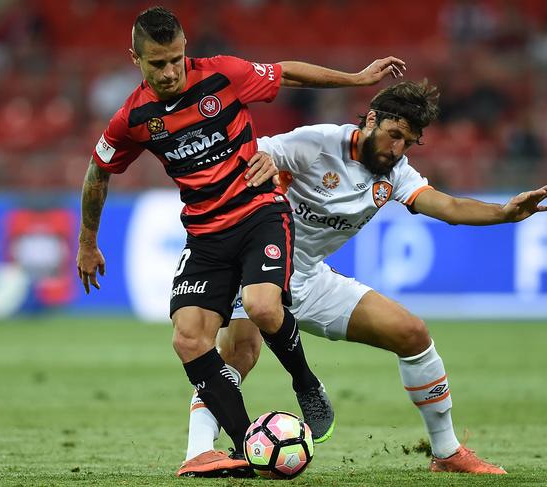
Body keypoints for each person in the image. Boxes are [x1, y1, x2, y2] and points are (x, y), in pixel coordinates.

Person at [75, 5, 407, 477]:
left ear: (185, 49)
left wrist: (355, 80)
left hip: (259, 214)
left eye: (176, 59)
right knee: (189, 339)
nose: (170, 72)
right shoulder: (132, 118)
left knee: (263, 307)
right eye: (157, 64)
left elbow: (287, 72)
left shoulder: (223, 75)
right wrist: (88, 240)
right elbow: (98, 170)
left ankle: (306, 384)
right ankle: (244, 447)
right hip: (205, 235)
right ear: (135, 59)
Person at [181, 79, 547, 476]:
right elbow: (254, 152)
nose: (397, 149)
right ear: (372, 119)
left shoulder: (395, 173)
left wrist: (503, 213)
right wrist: (267, 165)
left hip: (308, 278)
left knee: (412, 333)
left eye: (407, 143)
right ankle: (200, 451)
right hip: (255, 271)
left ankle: (447, 453)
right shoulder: (320, 142)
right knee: (239, 353)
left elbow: (446, 205)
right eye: (394, 135)